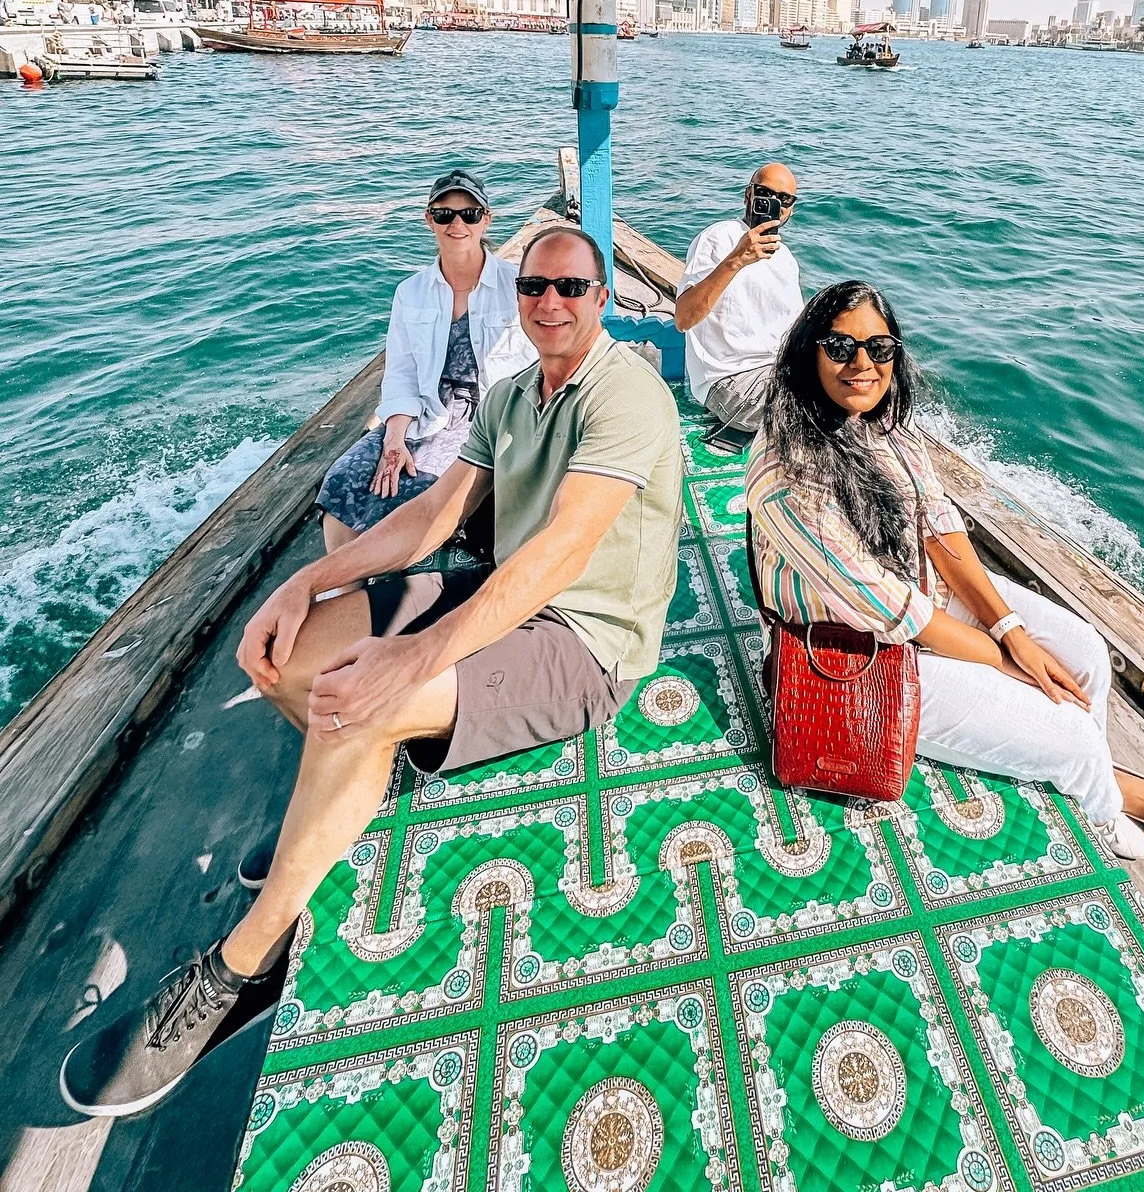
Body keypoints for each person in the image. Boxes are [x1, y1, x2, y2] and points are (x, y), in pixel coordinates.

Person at [60, 226, 684, 1118]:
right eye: (536, 287)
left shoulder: (626, 393)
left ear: (604, 297)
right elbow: (434, 512)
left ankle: (246, 966)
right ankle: (336, 806)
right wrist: (307, 581)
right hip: (493, 591)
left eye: (573, 289)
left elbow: (559, 553)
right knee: (288, 660)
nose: (551, 303)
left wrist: (416, 656)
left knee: (355, 703)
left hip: (581, 640)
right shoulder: (513, 395)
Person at [745, 280, 1144, 861]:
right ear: (807, 352)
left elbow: (939, 527)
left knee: (1083, 653)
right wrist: (1004, 659)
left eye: (880, 349)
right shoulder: (788, 473)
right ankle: (1105, 800)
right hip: (857, 650)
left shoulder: (885, 425)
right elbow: (888, 609)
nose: (862, 364)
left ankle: (1091, 771)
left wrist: (1010, 629)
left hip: (923, 598)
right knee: (1061, 722)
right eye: (840, 347)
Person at [316, 167, 534, 551]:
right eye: (444, 214)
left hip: (489, 417)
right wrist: (394, 439)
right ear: (428, 219)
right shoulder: (410, 292)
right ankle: (341, 590)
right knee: (341, 480)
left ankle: (381, 584)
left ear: (486, 219)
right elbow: (401, 374)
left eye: (468, 213)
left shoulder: (518, 285)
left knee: (422, 488)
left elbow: (542, 364)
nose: (457, 224)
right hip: (426, 411)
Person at [674, 162, 803, 437]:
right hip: (728, 381)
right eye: (765, 193)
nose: (774, 204)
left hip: (777, 373)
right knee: (820, 406)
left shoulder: (786, 259)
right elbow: (684, 318)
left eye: (785, 199)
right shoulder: (719, 237)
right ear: (748, 195)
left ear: (791, 208)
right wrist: (736, 260)